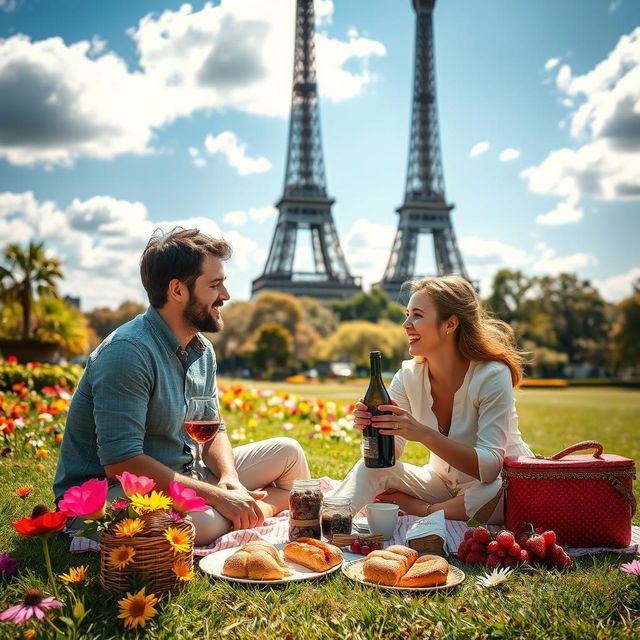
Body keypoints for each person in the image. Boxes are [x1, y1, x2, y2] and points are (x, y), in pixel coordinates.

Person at [53, 228, 310, 544]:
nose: (226, 295)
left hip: (185, 476)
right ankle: (259, 511)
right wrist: (217, 497)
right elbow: (121, 461)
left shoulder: (202, 349)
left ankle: (249, 512)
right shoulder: (127, 352)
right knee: (202, 523)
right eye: (214, 285)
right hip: (105, 495)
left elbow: (213, 429)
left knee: (289, 453)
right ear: (177, 290)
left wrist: (229, 481)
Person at [332, 276, 532, 524]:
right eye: (407, 314)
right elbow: (390, 454)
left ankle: (424, 510)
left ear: (450, 324)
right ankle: (324, 522)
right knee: (371, 468)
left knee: (503, 491)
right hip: (440, 483)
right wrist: (376, 429)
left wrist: (424, 435)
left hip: (496, 485)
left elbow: (490, 468)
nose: (406, 324)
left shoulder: (491, 374)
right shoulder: (407, 376)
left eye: (417, 315)